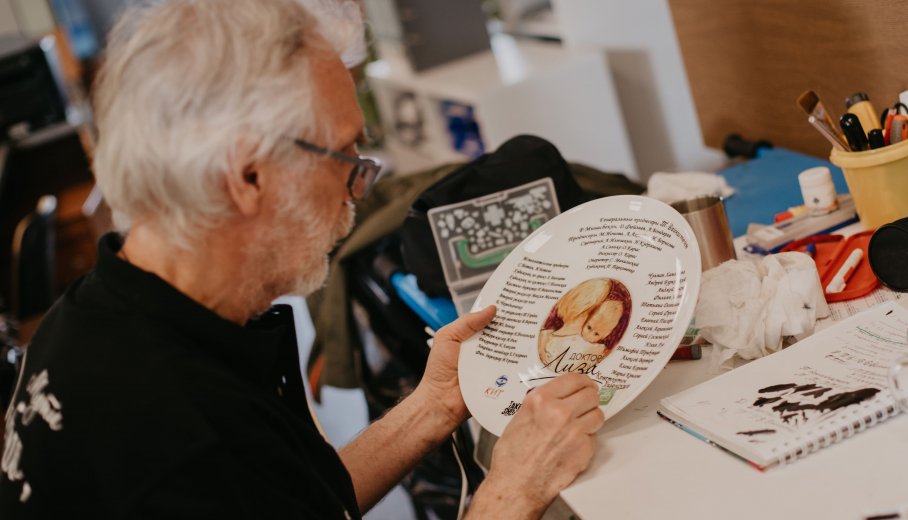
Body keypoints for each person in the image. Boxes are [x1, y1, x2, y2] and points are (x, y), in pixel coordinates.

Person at [0, 0, 603, 518]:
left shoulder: (95, 316)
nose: (358, 188)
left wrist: (435, 404)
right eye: (343, 154)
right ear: (247, 177)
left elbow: (291, 498)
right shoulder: (177, 439)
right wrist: (514, 490)